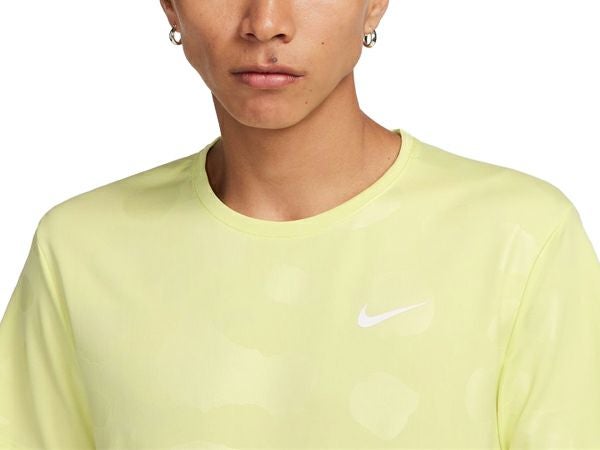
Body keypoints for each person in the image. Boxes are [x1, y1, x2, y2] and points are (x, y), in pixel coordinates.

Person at [1, 1, 599, 449]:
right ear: (170, 5)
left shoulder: (519, 238)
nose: (265, 23)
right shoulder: (80, 249)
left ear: (374, 3)